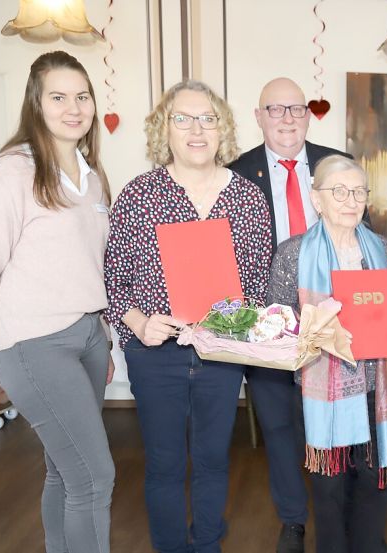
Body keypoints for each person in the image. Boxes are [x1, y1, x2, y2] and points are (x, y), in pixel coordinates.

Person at [104, 80, 272, 553]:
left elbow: (256, 281)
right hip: (156, 351)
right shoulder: (140, 194)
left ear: (222, 130)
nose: (197, 129)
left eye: (208, 119)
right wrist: (138, 323)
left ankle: (206, 546)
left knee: (215, 459)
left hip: (221, 351)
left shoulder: (246, 197)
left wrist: (238, 325)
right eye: (184, 119)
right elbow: (115, 276)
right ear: (165, 129)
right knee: (164, 463)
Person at [0, 50, 115, 553]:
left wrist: (106, 338)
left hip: (87, 337)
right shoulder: (11, 172)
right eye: (58, 97)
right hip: (32, 344)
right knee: (94, 477)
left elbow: (94, 265)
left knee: (64, 472)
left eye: (82, 96)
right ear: (36, 103)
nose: (74, 107)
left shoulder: (91, 175)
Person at [267, 155, 387, 553]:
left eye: (359, 191)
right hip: (321, 390)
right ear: (317, 199)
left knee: (374, 481)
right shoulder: (293, 254)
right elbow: (276, 323)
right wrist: (308, 331)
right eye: (339, 191)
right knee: (329, 487)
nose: (352, 200)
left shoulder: (383, 249)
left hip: (376, 389)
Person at [228, 77, 351, 553]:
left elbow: (359, 234)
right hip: (267, 326)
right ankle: (293, 521)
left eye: (295, 109)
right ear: (258, 117)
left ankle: (335, 521)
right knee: (279, 426)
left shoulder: (335, 166)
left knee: (329, 424)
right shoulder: (236, 174)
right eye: (274, 110)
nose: (286, 119)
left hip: (330, 322)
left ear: (308, 115)